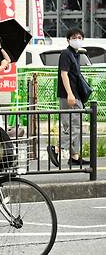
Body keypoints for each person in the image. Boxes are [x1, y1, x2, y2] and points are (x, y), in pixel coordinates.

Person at [49, 28, 91, 167]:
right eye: (74, 37)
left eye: (79, 37)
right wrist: (70, 94)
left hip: (74, 95)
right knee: (73, 126)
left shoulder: (75, 54)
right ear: (68, 40)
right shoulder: (66, 54)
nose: (77, 39)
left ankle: (74, 156)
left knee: (75, 125)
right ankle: (56, 149)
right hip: (69, 96)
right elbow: (64, 74)